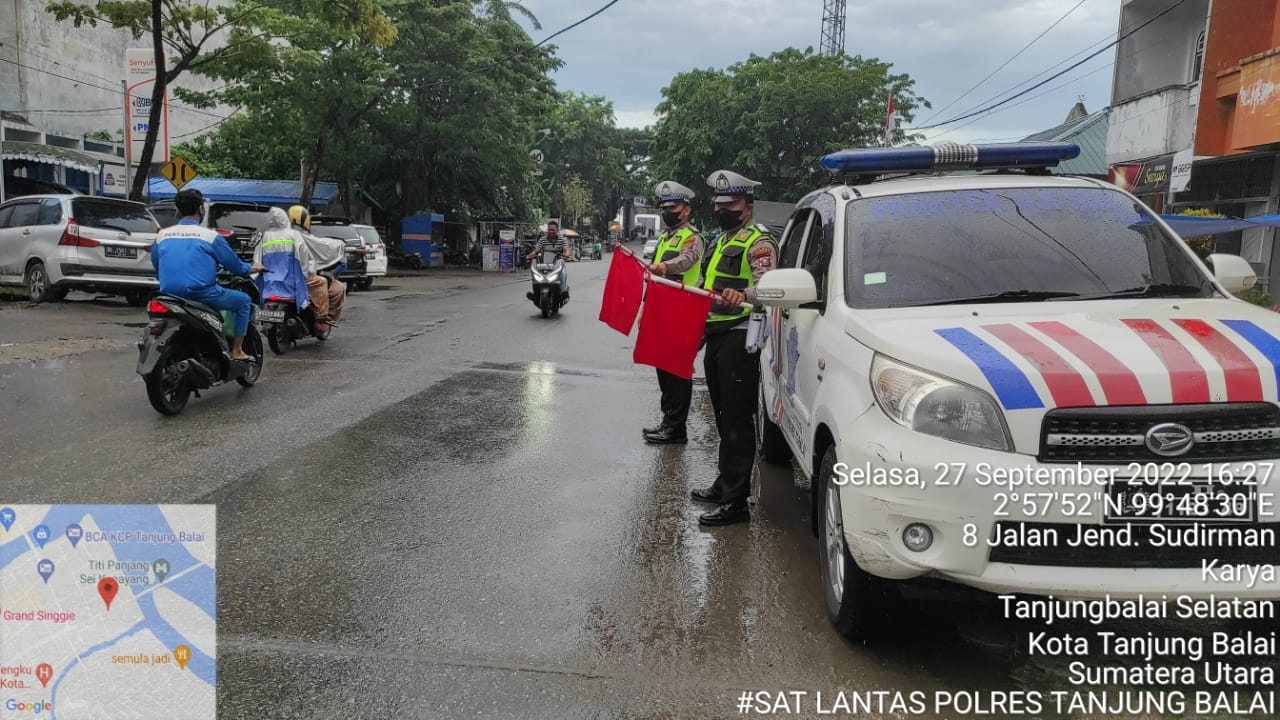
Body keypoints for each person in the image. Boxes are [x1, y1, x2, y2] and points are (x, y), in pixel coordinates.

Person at [691, 170, 779, 527]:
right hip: (716, 334)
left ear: (747, 207)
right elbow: (705, 282)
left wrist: (742, 294)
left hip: (740, 336)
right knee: (723, 416)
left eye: (729, 204)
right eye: (718, 204)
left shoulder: (760, 243)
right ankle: (725, 482)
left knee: (738, 421)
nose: (721, 210)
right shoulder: (718, 241)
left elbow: (767, 287)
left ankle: (736, 503)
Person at [151, 188, 266, 361]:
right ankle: (237, 350)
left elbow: (156, 263)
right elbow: (235, 266)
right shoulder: (210, 236)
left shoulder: (162, 236)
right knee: (243, 301)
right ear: (201, 209)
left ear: (177, 210)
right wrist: (252, 268)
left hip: (168, 294)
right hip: (202, 294)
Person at [641, 180, 706, 445]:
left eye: (674, 208)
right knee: (664, 369)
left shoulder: (692, 237)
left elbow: (687, 260)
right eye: (665, 208)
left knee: (678, 371)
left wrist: (665, 267)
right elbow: (654, 276)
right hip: (662, 309)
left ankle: (676, 428)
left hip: (683, 309)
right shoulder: (664, 238)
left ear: (686, 210)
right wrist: (646, 308)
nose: (668, 212)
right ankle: (668, 421)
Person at [288, 206, 347, 327]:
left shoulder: (275, 236)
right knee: (328, 284)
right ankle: (322, 316)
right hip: (298, 279)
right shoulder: (302, 237)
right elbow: (324, 247)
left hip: (277, 279)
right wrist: (341, 245)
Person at [526, 220, 569, 300]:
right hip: (544, 262)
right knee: (534, 269)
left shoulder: (562, 239)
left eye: (553, 230)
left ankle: (563, 293)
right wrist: (530, 256)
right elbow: (536, 250)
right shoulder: (542, 239)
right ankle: (535, 293)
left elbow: (566, 250)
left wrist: (566, 254)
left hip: (558, 262)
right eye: (549, 229)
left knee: (563, 273)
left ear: (557, 230)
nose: (551, 231)